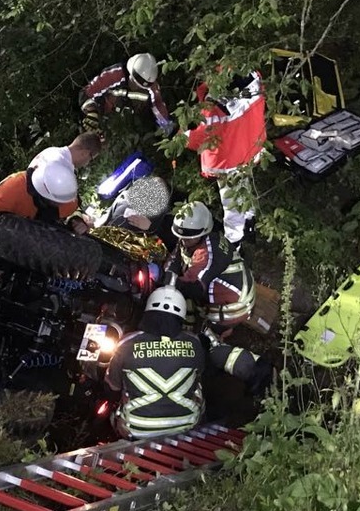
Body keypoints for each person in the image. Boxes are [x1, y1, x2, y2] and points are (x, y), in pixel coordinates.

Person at [104, 284, 273, 439]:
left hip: (136, 430)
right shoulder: (194, 342)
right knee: (196, 386)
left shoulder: (127, 343)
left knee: (116, 407)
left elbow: (112, 387)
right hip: (187, 425)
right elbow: (203, 374)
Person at [184, 69, 267, 246]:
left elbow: (199, 137)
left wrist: (179, 138)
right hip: (251, 145)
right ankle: (249, 222)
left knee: (231, 201)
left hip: (231, 158)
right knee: (244, 186)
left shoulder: (216, 108)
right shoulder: (252, 78)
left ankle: (233, 241)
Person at [0, 131, 104, 232]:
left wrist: (76, 218)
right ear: (84, 153)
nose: (88, 163)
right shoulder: (60, 168)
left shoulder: (52, 152)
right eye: (91, 159)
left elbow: (68, 205)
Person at [166, 201, 256, 330]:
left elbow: (192, 287)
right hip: (231, 288)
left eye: (188, 238)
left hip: (234, 306)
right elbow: (176, 256)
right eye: (181, 237)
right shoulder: (195, 238)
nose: (184, 241)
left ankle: (217, 333)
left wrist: (163, 280)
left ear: (202, 232)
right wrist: (168, 273)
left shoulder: (209, 253)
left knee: (208, 333)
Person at [80, 53, 176, 135]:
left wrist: (167, 126)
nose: (136, 87)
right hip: (104, 116)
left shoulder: (151, 86)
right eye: (134, 83)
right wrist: (92, 112)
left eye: (141, 86)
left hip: (130, 125)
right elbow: (86, 93)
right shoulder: (115, 74)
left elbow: (158, 105)